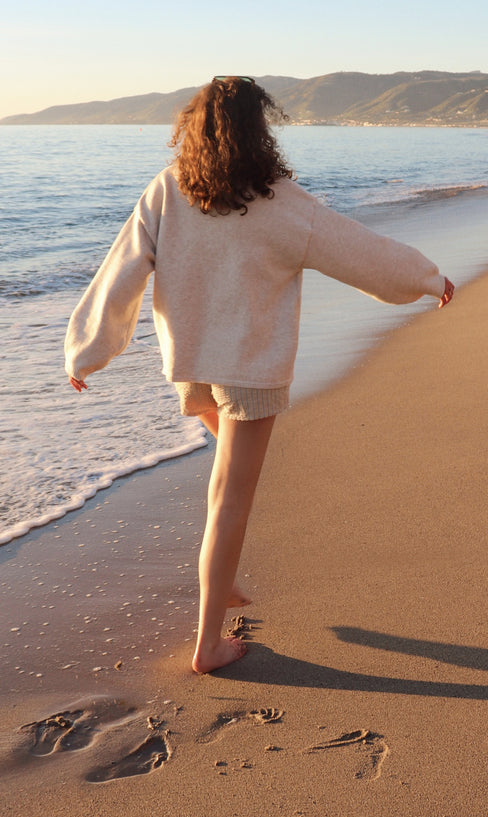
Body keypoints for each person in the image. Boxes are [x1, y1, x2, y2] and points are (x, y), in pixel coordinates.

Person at [64, 76, 454, 675]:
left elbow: (120, 271)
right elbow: (356, 249)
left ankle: (221, 575)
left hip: (190, 366)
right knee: (232, 499)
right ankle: (208, 644)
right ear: (258, 130)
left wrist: (86, 351)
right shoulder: (278, 198)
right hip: (249, 367)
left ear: (192, 127)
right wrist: (426, 277)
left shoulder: (168, 189)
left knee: (227, 480)